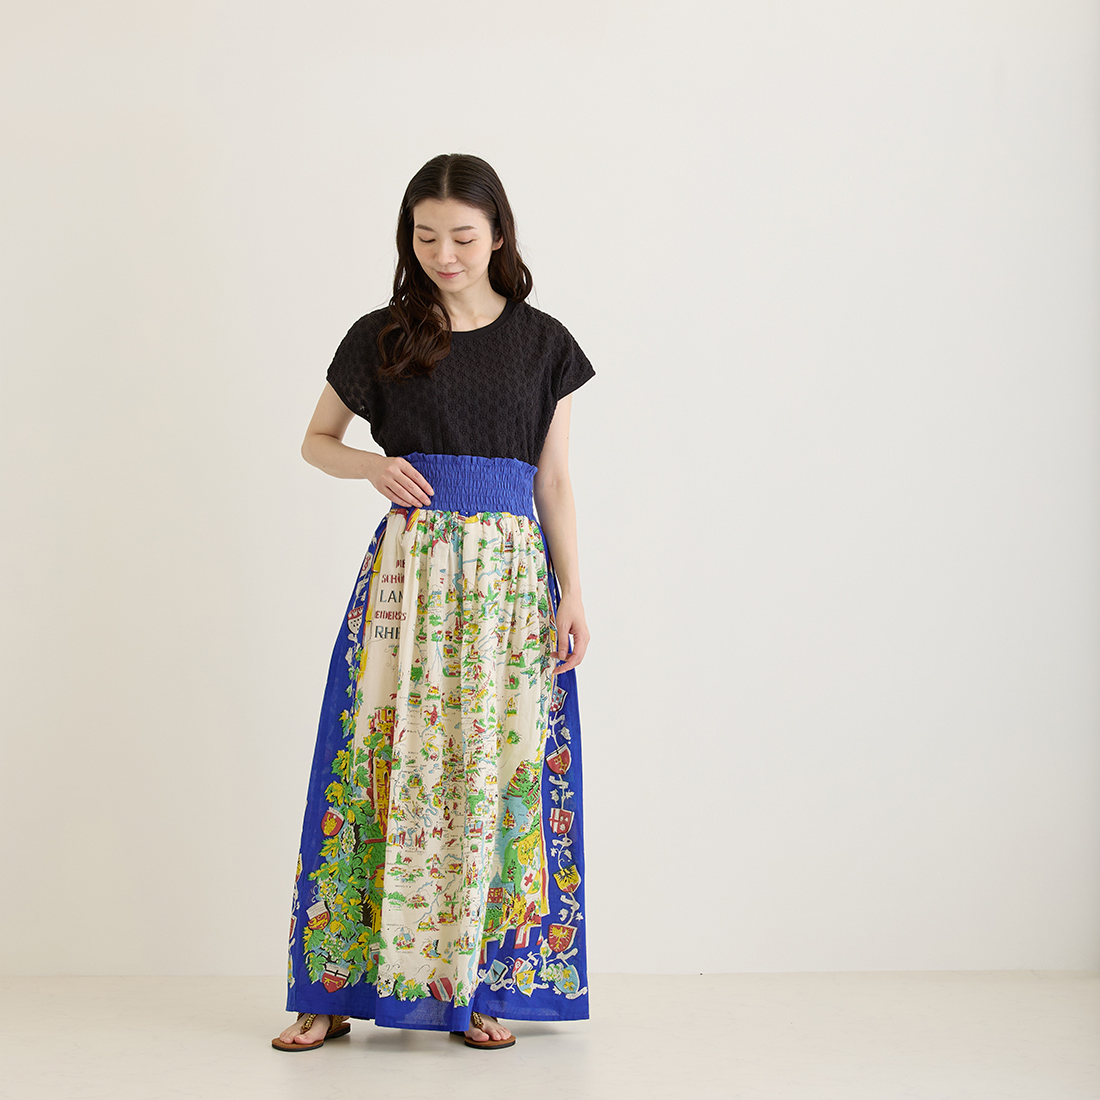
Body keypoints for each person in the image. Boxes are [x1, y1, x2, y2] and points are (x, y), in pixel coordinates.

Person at [272, 153, 594, 1053]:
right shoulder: (383, 334)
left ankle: (477, 984)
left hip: (510, 586)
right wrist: (371, 466)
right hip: (409, 580)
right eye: (425, 237)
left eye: (462, 236)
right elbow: (316, 440)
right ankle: (333, 988)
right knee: (377, 760)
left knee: (493, 772)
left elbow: (553, 480)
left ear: (498, 235)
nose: (443, 254)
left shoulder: (544, 343)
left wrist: (574, 589)